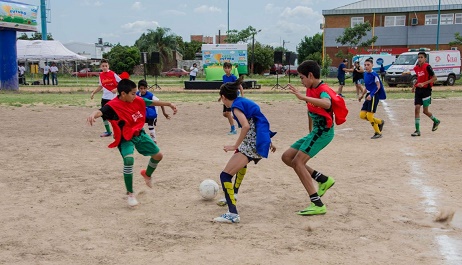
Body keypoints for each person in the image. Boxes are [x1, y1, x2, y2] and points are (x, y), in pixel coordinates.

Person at [86, 78, 177, 207]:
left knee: (158, 156)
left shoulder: (137, 100)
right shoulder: (113, 106)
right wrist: (92, 114)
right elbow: (100, 111)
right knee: (129, 160)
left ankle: (147, 174)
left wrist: (169, 104)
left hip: (139, 134)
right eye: (133, 93)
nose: (136, 95)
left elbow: (151, 102)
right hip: (124, 137)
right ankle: (130, 193)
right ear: (123, 94)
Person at [282, 60, 343, 216]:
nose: (301, 82)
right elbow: (310, 111)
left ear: (310, 75)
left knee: (298, 162)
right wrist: (310, 132)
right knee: (287, 157)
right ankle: (322, 179)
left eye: (302, 78)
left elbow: (327, 103)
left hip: (323, 133)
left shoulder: (323, 89)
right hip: (315, 133)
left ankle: (317, 203)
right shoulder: (311, 89)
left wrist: (303, 98)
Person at [213, 78, 276, 223]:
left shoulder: (235, 106)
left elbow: (246, 126)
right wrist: (268, 140)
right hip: (256, 139)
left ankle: (232, 214)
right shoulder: (242, 101)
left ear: (223, 97)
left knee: (225, 176)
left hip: (252, 142)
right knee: (239, 162)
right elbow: (259, 119)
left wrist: (235, 145)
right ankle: (233, 194)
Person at [406, 51, 440, 136]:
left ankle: (436, 121)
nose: (420, 59)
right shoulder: (417, 68)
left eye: (421, 57)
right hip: (418, 90)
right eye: (418, 57)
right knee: (417, 108)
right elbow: (419, 78)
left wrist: (424, 83)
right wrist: (414, 86)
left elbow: (435, 78)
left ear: (425, 58)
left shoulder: (427, 67)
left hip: (426, 90)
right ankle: (417, 130)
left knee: (425, 111)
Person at [90, 59, 121, 137]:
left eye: (106, 66)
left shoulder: (113, 74)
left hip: (113, 99)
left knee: (114, 116)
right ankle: (108, 131)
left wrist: (116, 89)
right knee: (103, 115)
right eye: (103, 66)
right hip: (104, 98)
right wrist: (93, 92)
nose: (104, 67)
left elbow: (122, 83)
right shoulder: (101, 75)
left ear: (108, 66)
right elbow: (100, 86)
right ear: (100, 66)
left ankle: (118, 131)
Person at [358, 57, 386, 139]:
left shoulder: (374, 75)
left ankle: (378, 132)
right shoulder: (365, 74)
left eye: (368, 65)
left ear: (372, 65)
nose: (366, 66)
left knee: (370, 116)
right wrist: (362, 95)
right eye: (365, 65)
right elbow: (367, 86)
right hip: (368, 95)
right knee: (362, 115)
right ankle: (380, 122)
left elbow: (378, 86)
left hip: (373, 96)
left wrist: (372, 95)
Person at [221, 62, 244, 135]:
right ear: (223, 69)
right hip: (226, 97)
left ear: (231, 69)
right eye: (225, 68)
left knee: (228, 113)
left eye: (228, 68)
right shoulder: (224, 77)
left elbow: (240, 86)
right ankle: (237, 118)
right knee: (225, 114)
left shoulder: (233, 77)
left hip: (232, 97)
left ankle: (233, 129)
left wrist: (242, 95)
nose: (227, 69)